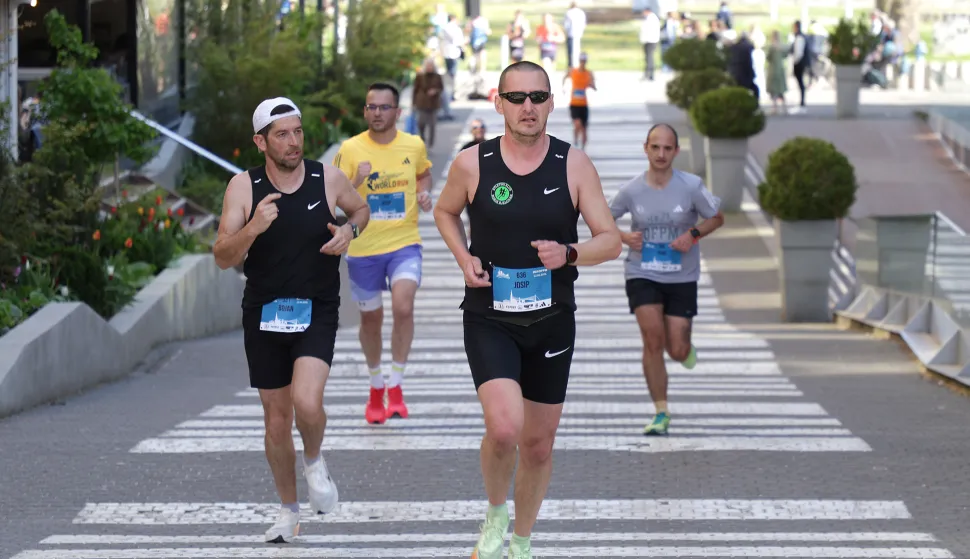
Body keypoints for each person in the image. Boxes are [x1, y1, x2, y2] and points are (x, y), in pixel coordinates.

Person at [433, 61, 622, 559]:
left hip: (552, 318)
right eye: (516, 98)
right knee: (503, 427)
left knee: (538, 444)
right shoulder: (473, 163)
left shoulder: (573, 164)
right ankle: (496, 513)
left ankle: (521, 541)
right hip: (489, 315)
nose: (527, 108)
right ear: (498, 103)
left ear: (551, 103)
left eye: (537, 97)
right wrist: (463, 256)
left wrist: (571, 253)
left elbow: (611, 240)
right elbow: (444, 211)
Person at [212, 97, 370, 543]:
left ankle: (315, 459)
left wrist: (348, 231)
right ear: (260, 142)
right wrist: (252, 229)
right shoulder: (243, 188)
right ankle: (287, 511)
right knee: (276, 420)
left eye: (297, 131)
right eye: (282, 134)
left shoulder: (328, 178)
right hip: (263, 311)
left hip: (317, 307)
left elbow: (360, 210)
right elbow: (223, 257)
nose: (293, 141)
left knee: (307, 402)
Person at [609, 123, 724, 436]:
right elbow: (602, 218)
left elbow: (716, 217)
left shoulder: (690, 186)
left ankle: (684, 349)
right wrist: (622, 236)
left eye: (667, 148)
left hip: (682, 276)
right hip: (641, 272)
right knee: (652, 339)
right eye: (655, 147)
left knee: (675, 347)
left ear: (676, 151)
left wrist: (693, 234)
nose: (660, 154)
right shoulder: (632, 190)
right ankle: (661, 411)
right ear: (645, 148)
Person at [333, 82, 434, 425]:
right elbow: (334, 196)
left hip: (404, 242)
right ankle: (377, 386)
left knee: (404, 305)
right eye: (371, 107)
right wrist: (356, 182)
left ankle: (398, 383)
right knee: (370, 320)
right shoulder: (350, 149)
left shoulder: (413, 145)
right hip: (363, 249)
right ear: (365, 111)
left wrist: (423, 194)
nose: (377, 113)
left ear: (397, 112)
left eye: (384, 107)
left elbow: (424, 175)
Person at [561, 52, 595, 150]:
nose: (583, 62)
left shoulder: (588, 73)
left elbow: (593, 84)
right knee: (577, 124)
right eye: (581, 60)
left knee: (584, 129)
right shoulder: (573, 71)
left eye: (584, 61)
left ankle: (583, 149)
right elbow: (564, 77)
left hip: (584, 104)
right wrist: (563, 87)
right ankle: (575, 141)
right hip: (574, 103)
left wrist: (592, 85)